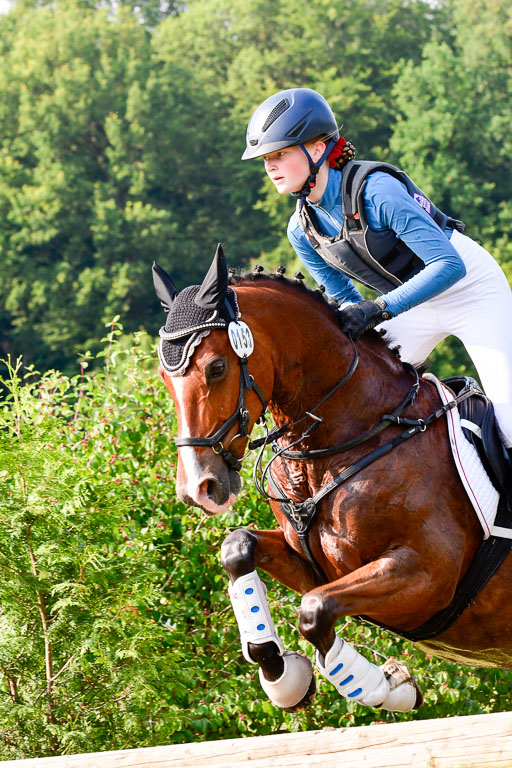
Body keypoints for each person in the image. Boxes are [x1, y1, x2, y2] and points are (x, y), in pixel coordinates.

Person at [241, 87, 512, 459]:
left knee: (510, 422)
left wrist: (377, 310)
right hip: (406, 305)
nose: (270, 166)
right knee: (358, 398)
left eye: (280, 154)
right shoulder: (300, 229)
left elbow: (449, 265)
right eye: (265, 158)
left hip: (470, 290)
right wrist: (365, 318)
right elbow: (344, 298)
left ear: (317, 149)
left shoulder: (377, 192)